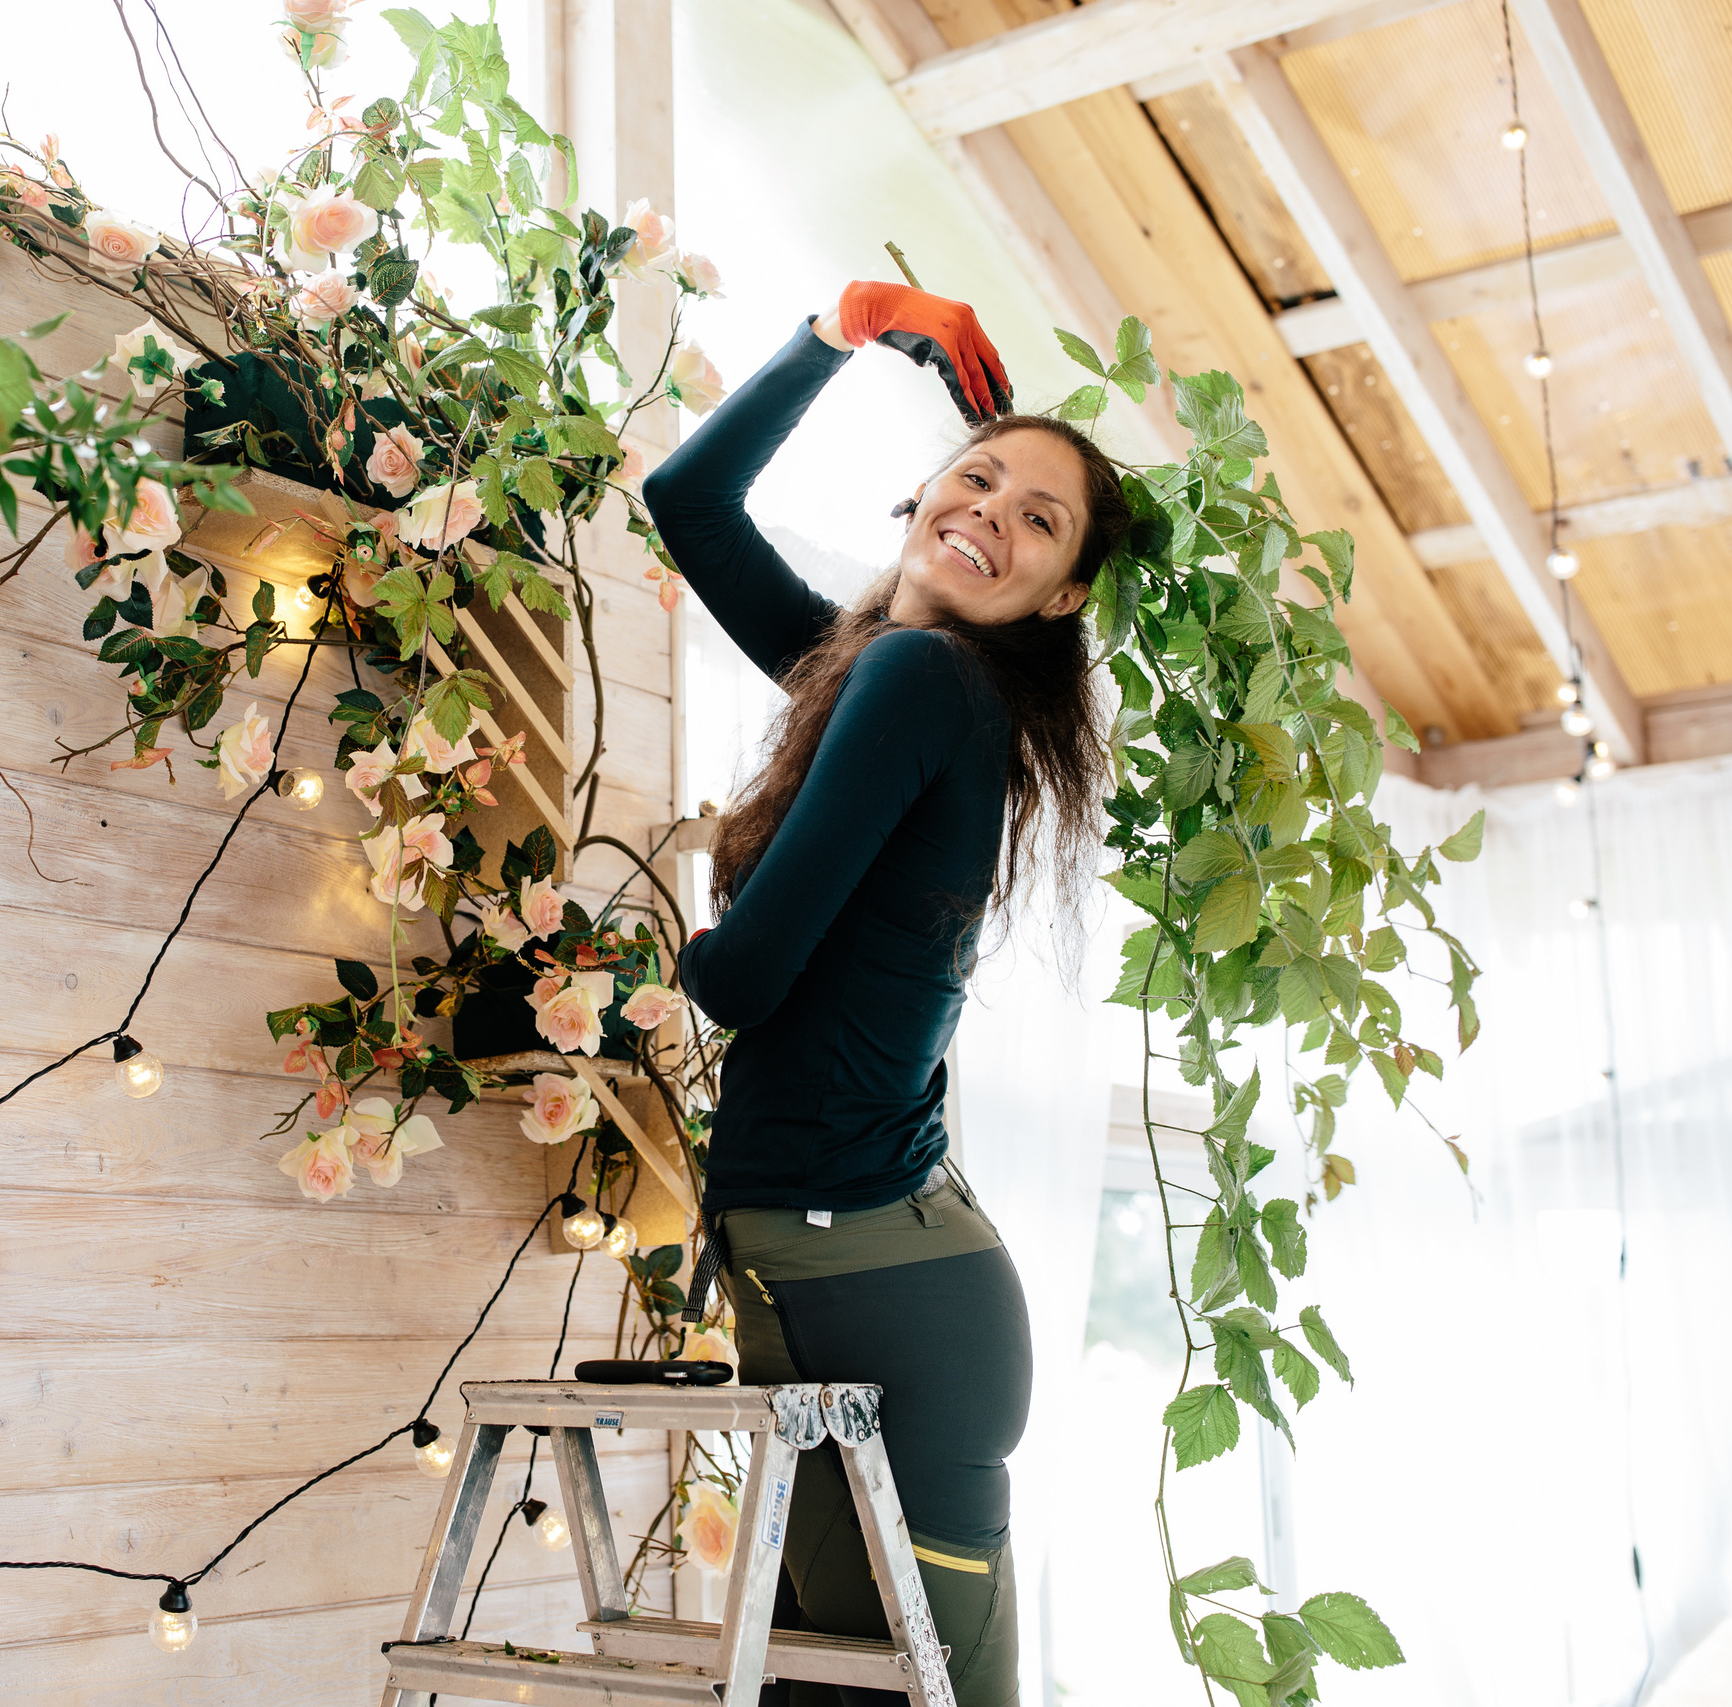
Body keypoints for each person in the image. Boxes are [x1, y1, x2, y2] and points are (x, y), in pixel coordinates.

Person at [642, 281, 1130, 1707]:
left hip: (881, 1289)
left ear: (1062, 595)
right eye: (978, 478)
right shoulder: (870, 668)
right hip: (864, 1273)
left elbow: (745, 977)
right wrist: (849, 325)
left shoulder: (924, 678)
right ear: (923, 492)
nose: (991, 513)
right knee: (831, 1694)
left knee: (881, 1697)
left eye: (1039, 520)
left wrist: (639, 950)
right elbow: (691, 500)